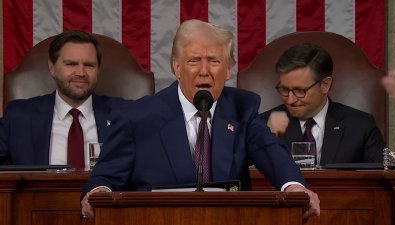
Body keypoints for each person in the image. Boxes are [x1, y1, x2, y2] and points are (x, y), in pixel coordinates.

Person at [80, 19, 319, 220]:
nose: (204, 71)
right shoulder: (137, 117)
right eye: (194, 61)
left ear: (227, 70)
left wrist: (295, 188)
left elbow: (272, 153)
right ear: (176, 66)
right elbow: (105, 177)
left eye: (214, 61)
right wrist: (98, 193)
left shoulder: (241, 109)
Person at [0, 30, 130, 169]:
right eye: (71, 64)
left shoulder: (124, 115)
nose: (80, 73)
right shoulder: (18, 117)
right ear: (52, 68)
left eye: (89, 65)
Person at [259, 43, 385, 166]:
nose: (290, 100)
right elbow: (244, 178)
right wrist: (267, 138)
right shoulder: (263, 124)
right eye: (284, 89)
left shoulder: (360, 125)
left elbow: (380, 181)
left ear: (325, 85)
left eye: (299, 90)